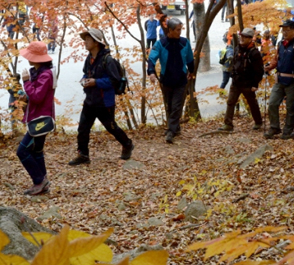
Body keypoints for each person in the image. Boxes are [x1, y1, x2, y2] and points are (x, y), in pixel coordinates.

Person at [69, 28, 134, 165]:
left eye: (88, 39)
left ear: (96, 42)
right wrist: (84, 80)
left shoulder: (107, 60)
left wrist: (95, 82)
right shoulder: (89, 59)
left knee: (111, 127)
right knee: (82, 128)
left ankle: (127, 144)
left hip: (104, 102)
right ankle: (83, 155)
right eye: (85, 39)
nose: (85, 42)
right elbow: (86, 74)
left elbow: (114, 80)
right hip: (90, 100)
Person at [17, 41, 57, 194]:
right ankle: (42, 181)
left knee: (22, 151)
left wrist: (26, 82)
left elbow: (38, 97)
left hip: (41, 120)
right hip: (38, 117)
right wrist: (26, 97)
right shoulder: (39, 72)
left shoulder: (45, 74)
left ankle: (39, 181)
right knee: (36, 150)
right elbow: (35, 96)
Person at [148, 18, 195, 144]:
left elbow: (190, 58)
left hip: (181, 80)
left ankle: (171, 131)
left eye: (181, 29)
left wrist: (191, 71)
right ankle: (176, 127)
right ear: (170, 30)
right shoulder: (160, 44)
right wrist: (151, 72)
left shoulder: (185, 42)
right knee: (169, 106)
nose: (180, 32)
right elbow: (151, 59)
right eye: (178, 30)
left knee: (176, 106)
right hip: (166, 80)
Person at [264, 20, 294, 139]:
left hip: (293, 80)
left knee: (290, 107)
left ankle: (288, 130)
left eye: (287, 30)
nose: (284, 32)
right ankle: (274, 127)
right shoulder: (280, 44)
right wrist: (269, 67)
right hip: (279, 80)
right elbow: (276, 58)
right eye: (283, 30)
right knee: (273, 103)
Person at [218, 28, 264, 131]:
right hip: (236, 82)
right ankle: (228, 124)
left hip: (248, 84)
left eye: (244, 37)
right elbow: (234, 63)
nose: (241, 38)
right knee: (230, 102)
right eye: (241, 36)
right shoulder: (237, 48)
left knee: (252, 103)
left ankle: (258, 122)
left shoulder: (254, 53)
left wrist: (255, 84)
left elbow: (259, 70)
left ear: (250, 39)